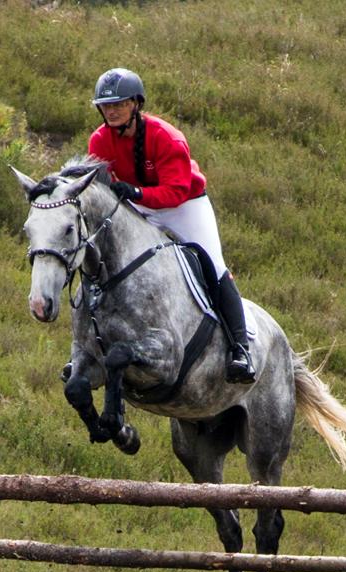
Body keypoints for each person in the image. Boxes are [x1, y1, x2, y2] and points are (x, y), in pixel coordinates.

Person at [88, 67, 257, 384]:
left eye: (119, 104)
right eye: (106, 106)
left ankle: (240, 348)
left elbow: (176, 190)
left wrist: (136, 192)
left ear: (136, 104)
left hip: (184, 205)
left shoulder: (167, 138)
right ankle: (90, 344)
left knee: (214, 266)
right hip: (138, 202)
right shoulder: (99, 140)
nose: (111, 111)